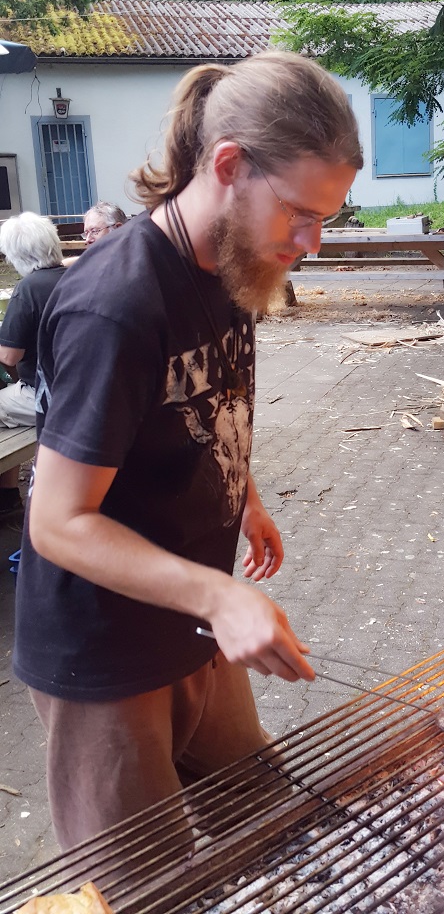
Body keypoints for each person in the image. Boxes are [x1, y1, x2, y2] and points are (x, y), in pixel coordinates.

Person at [13, 50, 363, 849]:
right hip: (104, 655)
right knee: (148, 880)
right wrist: (219, 597)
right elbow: (58, 523)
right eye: (299, 212)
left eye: (327, 219)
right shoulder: (115, 307)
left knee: (261, 821)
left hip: (194, 627)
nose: (311, 241)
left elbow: (204, 404)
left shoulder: (236, 260)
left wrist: (246, 496)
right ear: (229, 166)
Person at [0, 213, 67, 520]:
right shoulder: (71, 276)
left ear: (17, 255)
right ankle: (7, 495)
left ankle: (7, 494)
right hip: (75, 387)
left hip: (46, 395)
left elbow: (9, 357)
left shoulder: (28, 288)